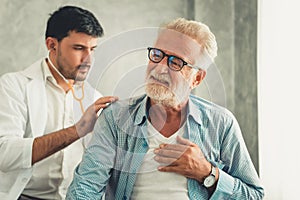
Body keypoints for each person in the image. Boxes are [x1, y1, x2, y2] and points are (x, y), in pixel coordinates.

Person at [66, 18, 264, 199]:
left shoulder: (221, 123)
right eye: (157, 55)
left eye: (175, 62)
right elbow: (85, 189)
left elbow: (254, 196)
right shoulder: (115, 118)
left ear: (197, 78)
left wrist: (207, 172)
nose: (159, 68)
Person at [0, 6, 118, 200]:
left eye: (92, 49)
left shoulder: (95, 98)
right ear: (52, 45)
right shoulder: (13, 86)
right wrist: (77, 130)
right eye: (79, 48)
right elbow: (4, 154)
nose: (88, 59)